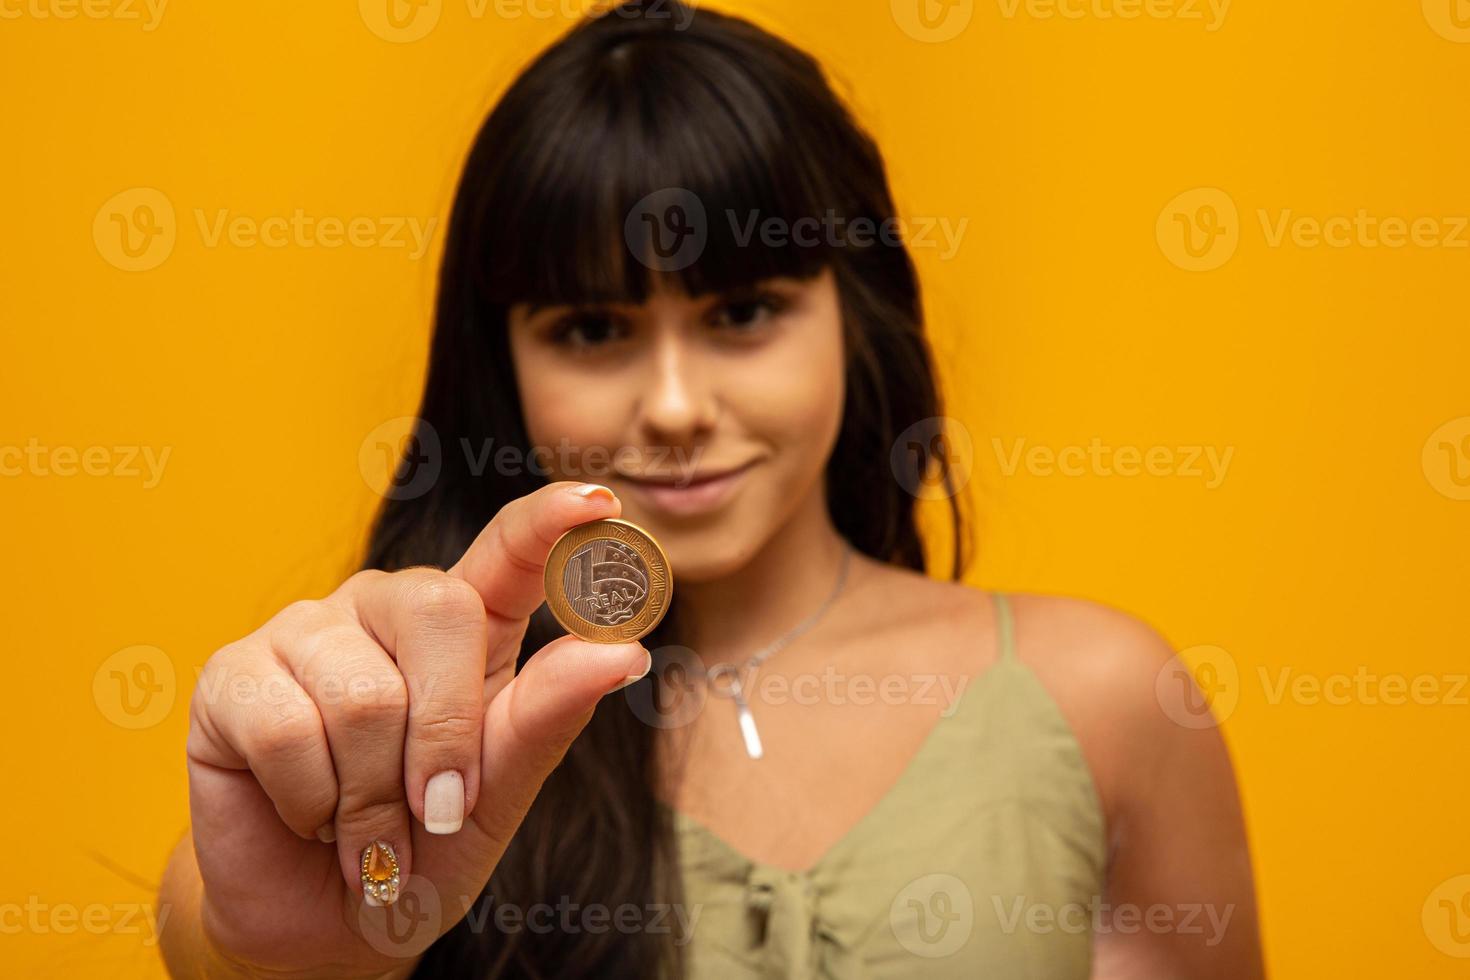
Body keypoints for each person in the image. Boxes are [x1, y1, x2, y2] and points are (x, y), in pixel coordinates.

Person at [158, 2, 1264, 977]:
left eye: (742, 312)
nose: (676, 405)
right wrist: (284, 966)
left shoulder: (1109, 702)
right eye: (592, 329)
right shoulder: (395, 731)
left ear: (855, 309)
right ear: (502, 366)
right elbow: (243, 935)